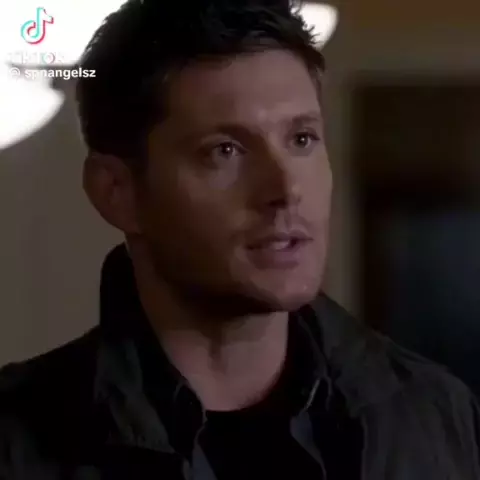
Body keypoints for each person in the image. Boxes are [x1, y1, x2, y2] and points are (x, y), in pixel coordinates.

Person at [1, 0, 479, 478]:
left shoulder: (433, 416)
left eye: (301, 139)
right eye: (225, 150)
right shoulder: (17, 441)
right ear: (116, 192)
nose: (285, 189)